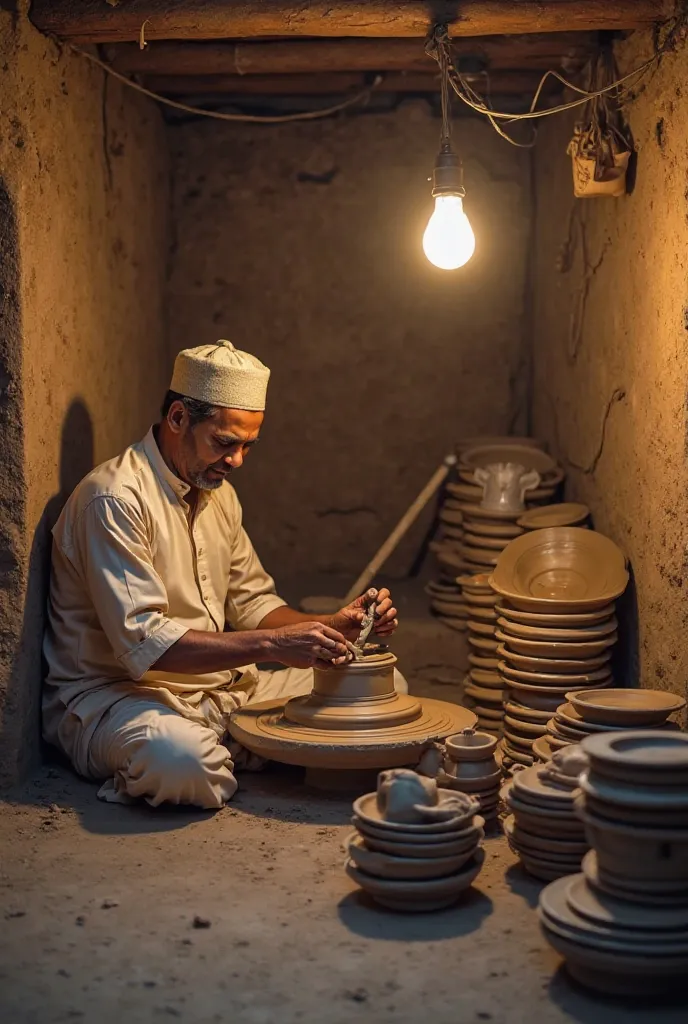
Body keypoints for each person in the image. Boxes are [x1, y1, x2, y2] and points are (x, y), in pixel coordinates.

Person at [43, 341, 402, 809]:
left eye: (248, 445)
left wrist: (334, 626)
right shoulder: (114, 500)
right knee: (180, 760)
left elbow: (254, 605)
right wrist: (275, 646)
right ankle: (233, 748)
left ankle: (236, 743)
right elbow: (147, 647)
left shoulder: (218, 494)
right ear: (177, 419)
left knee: (386, 688)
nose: (236, 461)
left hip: (219, 690)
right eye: (224, 442)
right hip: (117, 700)